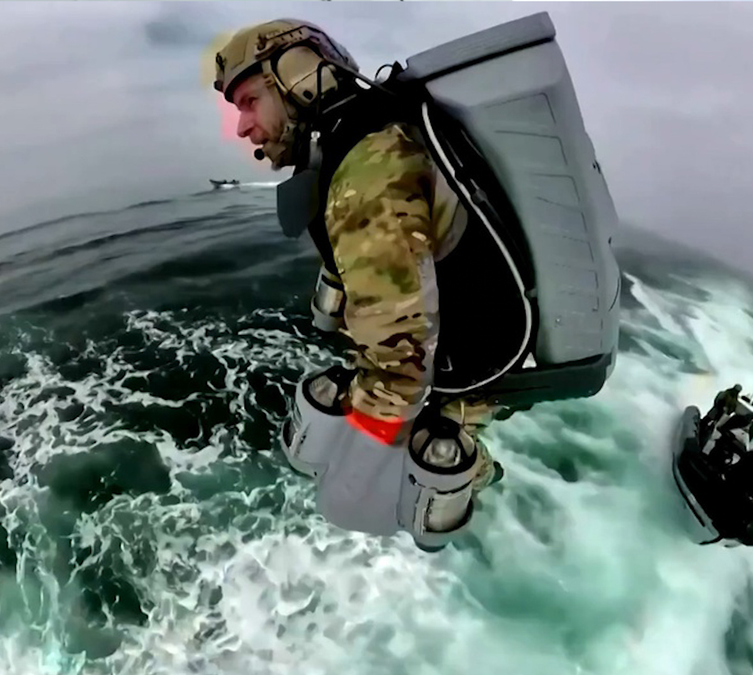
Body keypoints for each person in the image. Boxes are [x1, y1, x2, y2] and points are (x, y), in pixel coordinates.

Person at [210, 16, 618, 549]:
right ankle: (484, 481)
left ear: (299, 75)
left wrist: (348, 492)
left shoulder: (366, 172)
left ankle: (480, 498)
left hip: (464, 362)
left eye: (249, 101)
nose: (242, 127)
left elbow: (399, 367)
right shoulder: (365, 140)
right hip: (462, 342)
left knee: (394, 478)